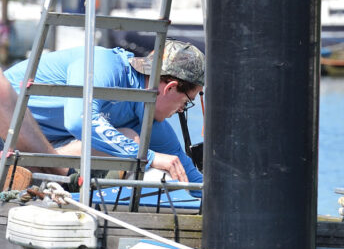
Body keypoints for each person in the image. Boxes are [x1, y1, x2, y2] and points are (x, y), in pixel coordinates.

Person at [1, 40, 204, 189]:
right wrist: (149, 157)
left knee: (131, 138)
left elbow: (190, 178)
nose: (181, 110)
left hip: (30, 150)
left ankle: (28, 167)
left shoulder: (148, 119)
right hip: (6, 127)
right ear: (169, 88)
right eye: (186, 102)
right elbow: (78, 121)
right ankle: (53, 173)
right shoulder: (105, 64)